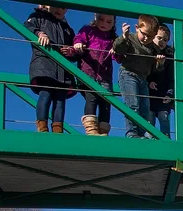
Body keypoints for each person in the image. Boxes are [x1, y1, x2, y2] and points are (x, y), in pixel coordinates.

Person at [25, 5, 77, 133]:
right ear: (46, 5)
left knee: (60, 99)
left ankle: (58, 130)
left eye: (64, 8)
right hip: (44, 64)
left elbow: (75, 50)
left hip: (63, 69)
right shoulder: (38, 17)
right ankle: (42, 127)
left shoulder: (67, 28)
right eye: (56, 6)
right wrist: (38, 33)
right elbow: (27, 26)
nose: (60, 9)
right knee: (46, 93)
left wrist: (71, 51)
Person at [112, 15, 163, 138]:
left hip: (143, 78)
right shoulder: (130, 38)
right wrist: (123, 36)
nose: (146, 38)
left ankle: (141, 133)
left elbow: (155, 69)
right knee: (133, 104)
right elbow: (117, 48)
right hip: (128, 74)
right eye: (144, 34)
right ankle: (132, 133)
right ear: (137, 28)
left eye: (150, 36)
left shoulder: (153, 48)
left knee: (145, 107)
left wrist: (160, 63)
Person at [73, 13, 116, 136]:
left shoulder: (112, 38)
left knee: (106, 102)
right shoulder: (88, 30)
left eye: (109, 22)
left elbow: (117, 57)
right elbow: (79, 38)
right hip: (88, 72)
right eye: (101, 19)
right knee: (91, 98)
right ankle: (91, 129)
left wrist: (118, 50)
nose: (104, 24)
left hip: (105, 75)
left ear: (113, 23)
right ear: (95, 17)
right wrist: (78, 43)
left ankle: (103, 132)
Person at [147, 24, 174, 138]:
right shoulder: (147, 51)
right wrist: (149, 82)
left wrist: (170, 93)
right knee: (149, 120)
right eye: (159, 38)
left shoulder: (170, 57)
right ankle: (149, 142)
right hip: (149, 95)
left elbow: (172, 77)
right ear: (153, 36)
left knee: (164, 118)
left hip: (164, 95)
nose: (162, 41)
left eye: (165, 39)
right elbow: (144, 71)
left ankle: (166, 140)